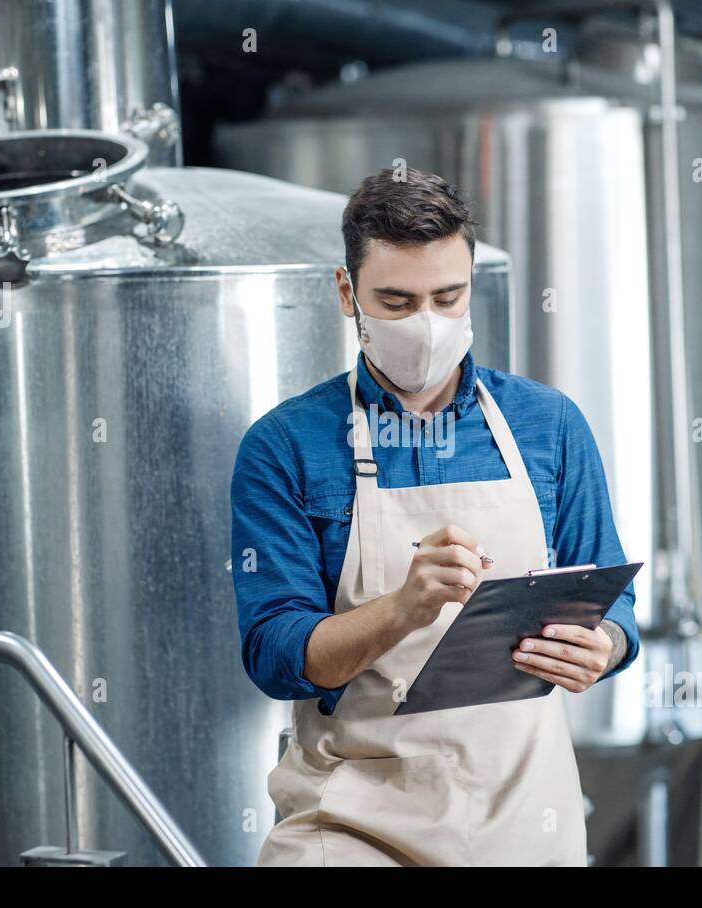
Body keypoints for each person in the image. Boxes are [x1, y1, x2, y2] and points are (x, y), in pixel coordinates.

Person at [229, 168, 639, 866]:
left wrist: (607, 649)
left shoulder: (549, 427)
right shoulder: (286, 446)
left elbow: (616, 605)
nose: (427, 323)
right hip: (354, 824)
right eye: (396, 300)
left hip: (525, 819)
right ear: (345, 292)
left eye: (448, 297)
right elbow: (275, 656)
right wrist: (401, 610)